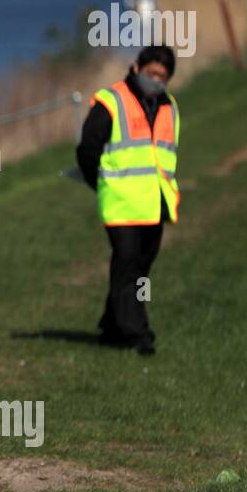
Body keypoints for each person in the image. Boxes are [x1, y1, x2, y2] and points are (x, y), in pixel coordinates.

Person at [76, 45, 180, 356]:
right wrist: (102, 183)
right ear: (136, 68)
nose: (157, 81)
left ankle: (112, 325)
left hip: (154, 203)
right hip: (120, 202)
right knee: (128, 263)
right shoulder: (111, 101)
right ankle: (137, 333)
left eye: (163, 77)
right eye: (152, 74)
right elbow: (87, 150)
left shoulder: (169, 106)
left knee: (140, 266)